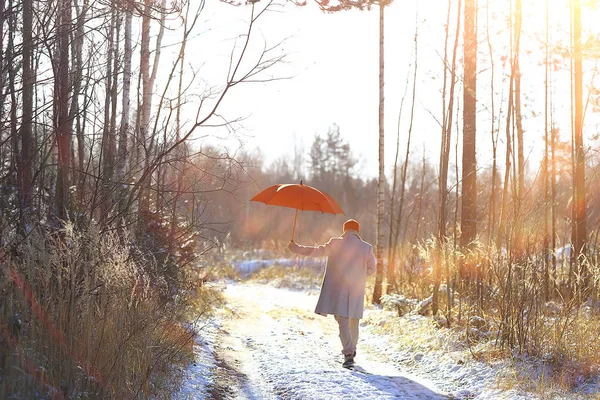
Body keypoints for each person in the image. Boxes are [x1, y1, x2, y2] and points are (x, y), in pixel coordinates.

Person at [287, 219, 376, 368]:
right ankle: (352, 349)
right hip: (356, 290)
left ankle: (348, 354)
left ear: (344, 230)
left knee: (342, 321)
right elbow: (372, 270)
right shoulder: (366, 247)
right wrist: (359, 275)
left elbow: (316, 251)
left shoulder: (335, 243)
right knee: (354, 321)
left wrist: (296, 248)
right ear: (357, 231)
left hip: (339, 289)